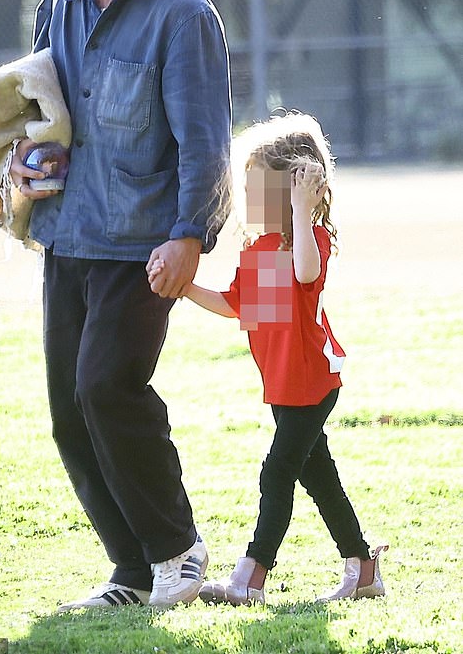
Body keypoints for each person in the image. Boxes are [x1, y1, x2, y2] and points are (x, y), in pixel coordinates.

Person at [8, 0, 232, 610]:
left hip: (143, 244)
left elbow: (205, 143)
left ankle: (180, 550)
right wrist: (23, 162)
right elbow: (43, 101)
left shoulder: (184, 13)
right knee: (69, 411)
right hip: (67, 232)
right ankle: (133, 572)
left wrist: (190, 235)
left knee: (108, 385)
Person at [148, 112, 387, 605]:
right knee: (318, 476)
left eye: (260, 190)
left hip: (312, 384)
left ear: (297, 191)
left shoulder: (306, 242)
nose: (250, 200)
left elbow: (304, 275)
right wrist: (184, 286)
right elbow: (235, 305)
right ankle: (363, 569)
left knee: (276, 473)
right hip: (282, 387)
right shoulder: (259, 251)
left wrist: (303, 211)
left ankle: (249, 578)